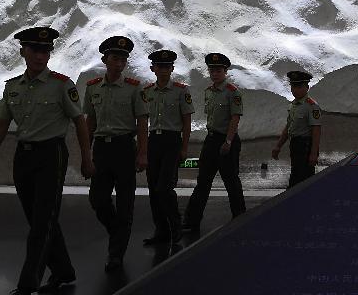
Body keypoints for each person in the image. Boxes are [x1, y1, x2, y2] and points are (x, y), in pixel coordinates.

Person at [0, 27, 93, 295]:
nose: (41, 56)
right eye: (35, 50)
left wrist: (87, 158)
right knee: (41, 218)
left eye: (46, 51)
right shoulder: (13, 86)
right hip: (23, 157)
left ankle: (26, 287)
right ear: (23, 52)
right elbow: (3, 124)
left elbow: (80, 122)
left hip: (52, 155)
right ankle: (63, 270)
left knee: (42, 222)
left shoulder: (62, 85)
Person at [85, 35, 149, 272]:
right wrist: (85, 153)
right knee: (97, 200)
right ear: (105, 59)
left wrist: (142, 153)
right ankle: (117, 233)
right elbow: (89, 121)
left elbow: (142, 122)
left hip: (124, 148)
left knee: (125, 204)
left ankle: (116, 254)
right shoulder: (92, 88)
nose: (119, 63)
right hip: (102, 149)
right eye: (115, 58)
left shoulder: (134, 88)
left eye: (123, 59)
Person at [183, 53, 245, 234]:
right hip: (211, 140)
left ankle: (240, 217)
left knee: (231, 181)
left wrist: (228, 140)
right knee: (203, 181)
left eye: (218, 70)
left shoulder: (233, 92)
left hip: (227, 140)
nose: (215, 73)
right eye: (212, 70)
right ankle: (192, 220)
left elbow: (235, 118)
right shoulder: (209, 91)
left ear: (225, 71)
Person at [142, 49, 193, 246]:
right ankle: (161, 230)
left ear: (172, 69)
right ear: (152, 68)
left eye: (167, 67)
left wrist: (185, 148)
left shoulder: (181, 91)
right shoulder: (146, 92)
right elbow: (143, 119)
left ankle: (175, 225)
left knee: (165, 187)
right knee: (154, 189)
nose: (163, 70)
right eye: (160, 66)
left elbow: (187, 121)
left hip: (172, 142)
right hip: (153, 141)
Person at [272, 71, 321, 187]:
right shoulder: (293, 105)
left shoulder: (311, 106)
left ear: (307, 87)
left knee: (302, 179)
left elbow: (316, 130)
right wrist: (278, 145)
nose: (295, 90)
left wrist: (314, 153)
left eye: (299, 87)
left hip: (305, 145)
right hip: (295, 144)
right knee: (297, 175)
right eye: (293, 86)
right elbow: (288, 126)